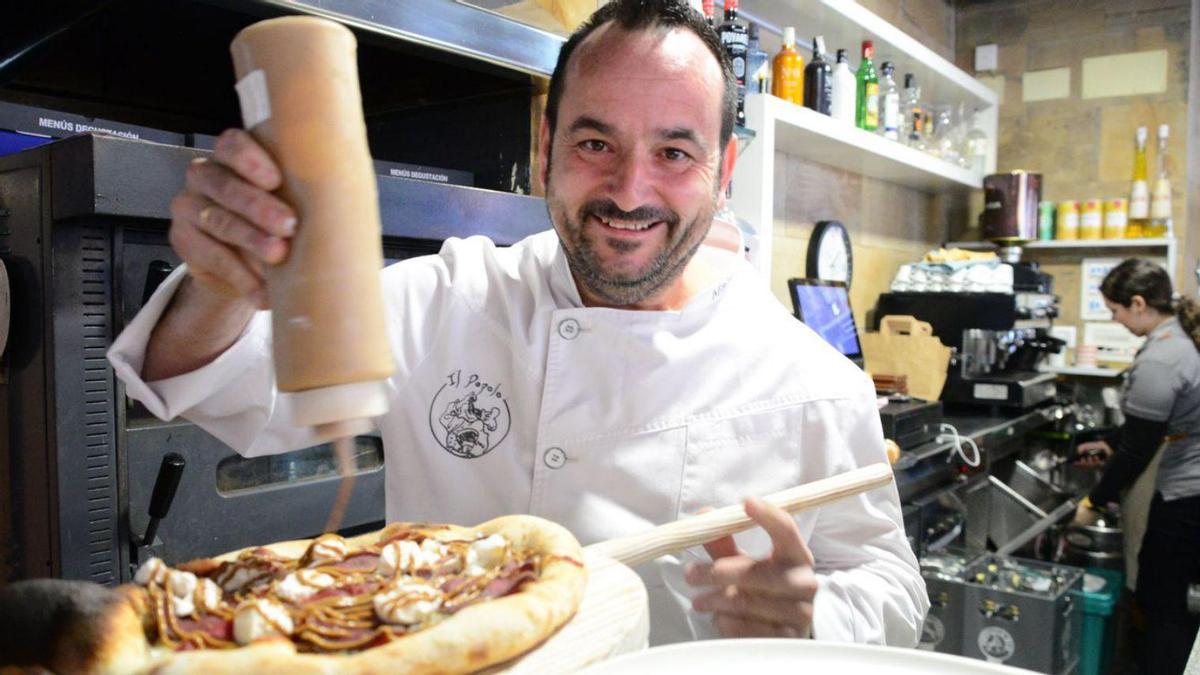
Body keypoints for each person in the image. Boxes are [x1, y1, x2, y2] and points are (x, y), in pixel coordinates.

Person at [108, 0, 926, 646]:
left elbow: (893, 589)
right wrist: (222, 282)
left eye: (674, 153)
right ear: (544, 146)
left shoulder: (809, 380)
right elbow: (203, 378)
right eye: (595, 142)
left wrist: (810, 613)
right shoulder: (453, 298)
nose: (630, 190)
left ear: (724, 171)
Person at [1072, 258, 1200, 674]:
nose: (1117, 320)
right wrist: (1108, 442)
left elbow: (1138, 450)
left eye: (1116, 311)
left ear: (1140, 303)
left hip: (1183, 495)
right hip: (1185, 483)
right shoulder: (1175, 339)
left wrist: (1094, 499)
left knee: (1161, 599)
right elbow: (1146, 429)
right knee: (1167, 596)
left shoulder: (1163, 358)